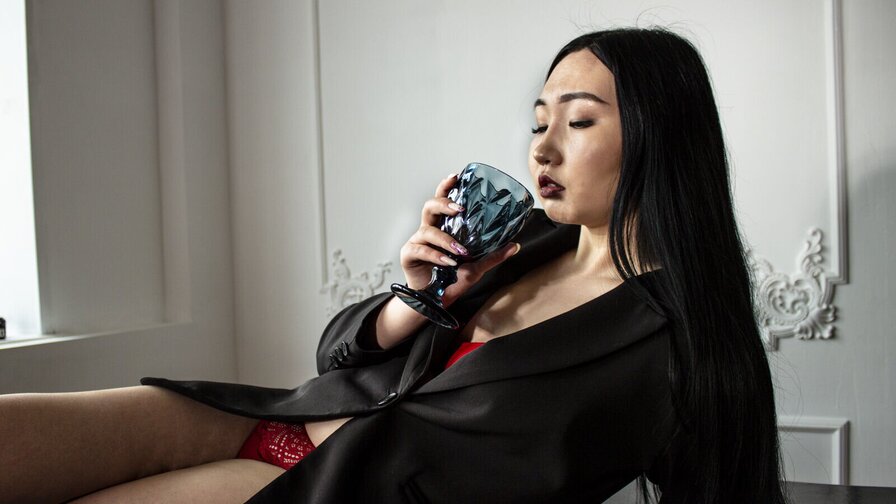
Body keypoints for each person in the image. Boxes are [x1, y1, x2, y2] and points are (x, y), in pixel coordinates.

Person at [0, 28, 787, 503]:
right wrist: (418, 297)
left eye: (579, 122)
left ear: (660, 135)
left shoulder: (682, 342)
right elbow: (334, 356)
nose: (542, 148)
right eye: (538, 121)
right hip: (273, 419)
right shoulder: (516, 242)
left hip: (328, 489)